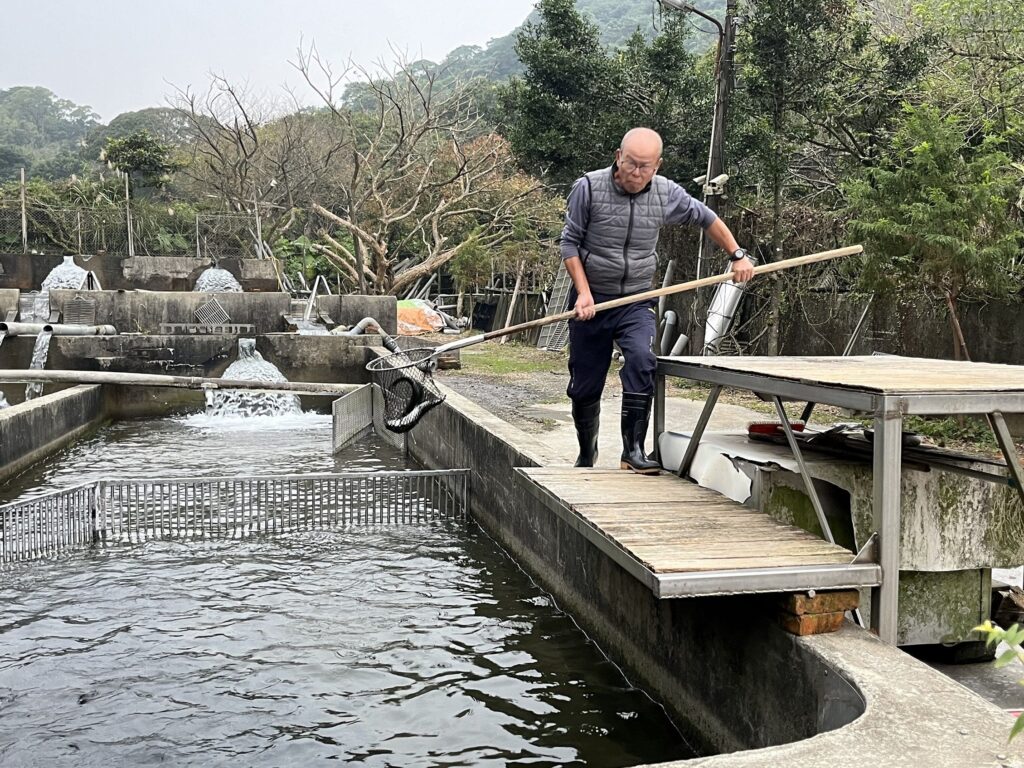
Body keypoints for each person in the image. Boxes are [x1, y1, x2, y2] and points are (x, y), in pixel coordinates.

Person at [559, 127, 754, 474]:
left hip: (637, 297)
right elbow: (569, 243)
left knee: (642, 359)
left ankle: (632, 451)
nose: (636, 173)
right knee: (584, 387)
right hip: (592, 299)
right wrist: (584, 292)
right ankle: (586, 451)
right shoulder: (588, 188)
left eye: (645, 167)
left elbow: (707, 218)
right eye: (631, 163)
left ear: (657, 166)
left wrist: (737, 255)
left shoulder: (666, 194)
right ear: (618, 156)